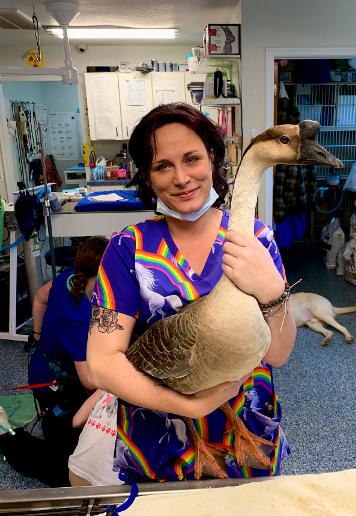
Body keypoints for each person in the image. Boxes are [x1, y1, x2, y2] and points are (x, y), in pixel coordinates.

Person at [84, 103, 297, 484]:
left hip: (247, 431)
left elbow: (278, 353)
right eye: (163, 166)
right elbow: (101, 364)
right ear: (147, 178)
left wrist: (273, 292)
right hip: (161, 438)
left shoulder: (257, 239)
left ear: (212, 159)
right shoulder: (126, 248)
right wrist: (188, 406)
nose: (181, 177)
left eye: (192, 158)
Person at [0, 237, 108, 487]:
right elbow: (89, 382)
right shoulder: (77, 318)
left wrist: (37, 337)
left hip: (49, 365)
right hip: (52, 384)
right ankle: (7, 436)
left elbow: (39, 297)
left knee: (76, 439)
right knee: (66, 470)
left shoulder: (71, 276)